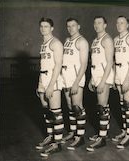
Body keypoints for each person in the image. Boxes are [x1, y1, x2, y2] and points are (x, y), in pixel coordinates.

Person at [35, 17, 64, 158]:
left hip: (54, 80)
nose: (43, 28)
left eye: (46, 26)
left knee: (56, 111)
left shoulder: (56, 43)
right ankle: (51, 136)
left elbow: (58, 65)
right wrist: (40, 83)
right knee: (47, 110)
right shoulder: (44, 43)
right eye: (41, 26)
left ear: (51, 28)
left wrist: (51, 85)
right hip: (43, 79)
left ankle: (57, 144)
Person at [86, 16, 114, 152]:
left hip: (105, 76)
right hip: (96, 75)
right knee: (103, 105)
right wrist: (92, 78)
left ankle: (102, 139)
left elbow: (109, 63)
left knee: (102, 106)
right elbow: (94, 62)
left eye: (99, 23)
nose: (97, 25)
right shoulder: (95, 40)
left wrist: (103, 81)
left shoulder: (107, 40)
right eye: (95, 23)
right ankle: (104, 133)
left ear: (105, 25)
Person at [61, 18, 89, 150]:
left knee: (77, 107)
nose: (71, 28)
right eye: (68, 26)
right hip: (66, 77)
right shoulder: (67, 41)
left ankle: (80, 137)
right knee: (70, 107)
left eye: (73, 25)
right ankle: (72, 133)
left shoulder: (82, 41)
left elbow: (83, 65)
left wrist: (76, 83)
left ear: (79, 26)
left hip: (76, 78)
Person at [112, 16, 129, 149]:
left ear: (127, 24)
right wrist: (116, 77)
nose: (119, 24)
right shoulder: (116, 40)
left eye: (122, 22)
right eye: (118, 22)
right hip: (119, 73)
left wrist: (127, 79)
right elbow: (114, 60)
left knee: (128, 104)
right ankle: (124, 130)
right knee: (122, 104)